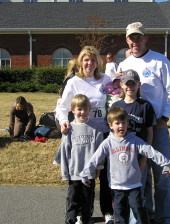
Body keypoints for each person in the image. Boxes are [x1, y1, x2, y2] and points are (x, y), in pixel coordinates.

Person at [117, 22, 170, 224]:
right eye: (131, 38)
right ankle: (145, 212)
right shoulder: (124, 65)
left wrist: (165, 117)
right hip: (134, 129)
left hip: (157, 127)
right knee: (139, 175)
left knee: (162, 173)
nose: (135, 41)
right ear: (127, 40)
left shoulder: (160, 61)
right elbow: (118, 92)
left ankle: (166, 216)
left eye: (139, 37)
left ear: (146, 38)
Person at [80, 106, 170, 224]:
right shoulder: (107, 143)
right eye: (117, 123)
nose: (121, 126)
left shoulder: (134, 140)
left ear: (127, 123)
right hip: (116, 186)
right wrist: (86, 173)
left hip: (134, 185)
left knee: (139, 211)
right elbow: (95, 159)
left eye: (124, 122)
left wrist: (165, 163)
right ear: (110, 125)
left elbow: (150, 151)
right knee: (120, 215)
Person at [56, 46, 114, 224]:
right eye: (86, 60)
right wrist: (64, 120)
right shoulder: (74, 81)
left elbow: (114, 102)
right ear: (81, 62)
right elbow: (62, 106)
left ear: (98, 62)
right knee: (84, 177)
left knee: (106, 175)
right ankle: (81, 212)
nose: (90, 63)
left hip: (103, 134)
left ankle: (107, 211)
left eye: (93, 59)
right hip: (82, 136)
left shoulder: (105, 79)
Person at [111, 69, 157, 223]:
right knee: (122, 194)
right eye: (126, 83)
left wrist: (145, 158)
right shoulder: (117, 107)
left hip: (139, 157)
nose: (129, 87)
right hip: (121, 159)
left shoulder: (145, 106)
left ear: (139, 85)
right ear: (121, 85)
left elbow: (150, 132)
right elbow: (112, 135)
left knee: (138, 194)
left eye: (133, 83)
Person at [60, 94, 103, 224]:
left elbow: (100, 151)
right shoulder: (69, 129)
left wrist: (99, 167)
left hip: (89, 172)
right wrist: (65, 172)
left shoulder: (96, 128)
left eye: (85, 109)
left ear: (89, 110)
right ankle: (71, 218)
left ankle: (86, 218)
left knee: (87, 198)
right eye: (79, 109)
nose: (82, 112)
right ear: (73, 110)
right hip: (74, 171)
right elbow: (64, 151)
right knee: (73, 197)